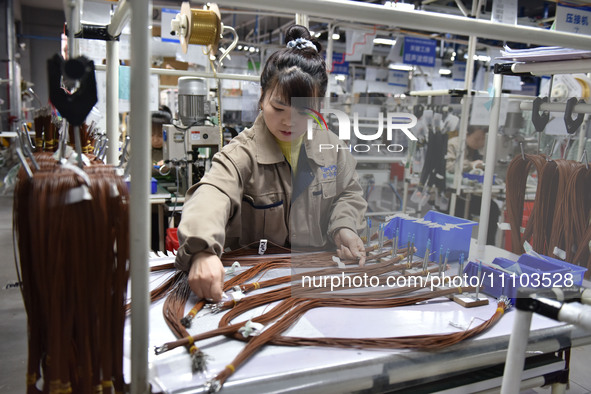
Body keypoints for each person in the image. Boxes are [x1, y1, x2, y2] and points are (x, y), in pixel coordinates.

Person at [174, 25, 367, 301]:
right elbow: (212, 194)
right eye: (278, 108)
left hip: (317, 283)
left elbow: (348, 193)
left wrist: (343, 227)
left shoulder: (332, 149)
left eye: (304, 111)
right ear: (262, 98)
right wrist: (203, 249)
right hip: (253, 286)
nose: (289, 121)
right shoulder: (243, 153)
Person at [445, 125, 500, 245]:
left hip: (470, 192)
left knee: (492, 208)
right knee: (459, 209)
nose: (480, 142)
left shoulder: (481, 149)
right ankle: (455, 244)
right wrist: (470, 164)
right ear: (467, 135)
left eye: (483, 139)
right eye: (477, 139)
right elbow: (449, 167)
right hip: (453, 194)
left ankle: (488, 245)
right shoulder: (454, 144)